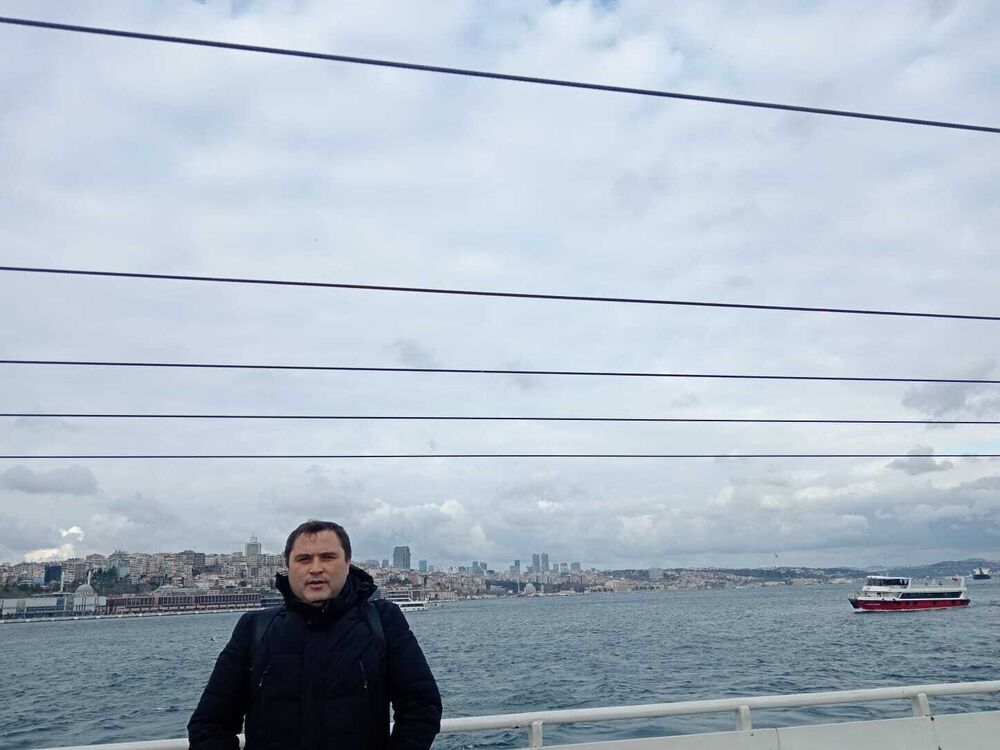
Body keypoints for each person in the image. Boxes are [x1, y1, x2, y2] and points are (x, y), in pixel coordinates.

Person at [188, 520, 442, 750]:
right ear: (288, 566)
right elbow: (209, 724)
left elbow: (422, 707)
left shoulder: (383, 621)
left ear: (347, 563)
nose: (316, 568)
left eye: (328, 557)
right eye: (304, 559)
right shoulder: (254, 628)